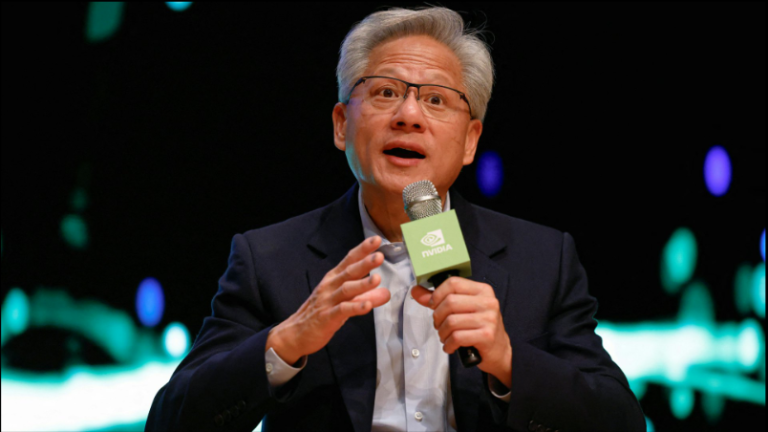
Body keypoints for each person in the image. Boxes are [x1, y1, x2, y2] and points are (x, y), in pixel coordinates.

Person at [146, 6, 646, 432]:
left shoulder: (543, 259)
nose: (408, 115)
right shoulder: (269, 259)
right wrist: (285, 343)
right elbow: (170, 421)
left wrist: (508, 362)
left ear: (470, 141)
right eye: (385, 92)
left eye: (436, 99)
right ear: (341, 125)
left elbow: (621, 421)